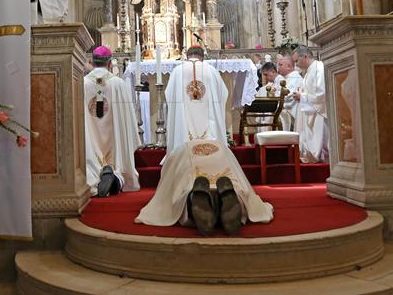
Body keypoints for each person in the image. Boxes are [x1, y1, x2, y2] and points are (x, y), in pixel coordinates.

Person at [135, 138, 273, 235]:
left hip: (187, 156)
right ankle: (230, 196)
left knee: (184, 188)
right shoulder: (220, 145)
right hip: (220, 156)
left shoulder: (180, 149)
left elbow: (166, 181)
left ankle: (191, 198)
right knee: (236, 184)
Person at [83, 46, 141, 197]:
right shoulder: (118, 84)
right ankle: (115, 177)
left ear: (92, 62)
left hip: (90, 143)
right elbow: (128, 117)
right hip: (114, 145)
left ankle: (95, 176)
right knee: (118, 165)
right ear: (110, 63)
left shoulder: (82, 84)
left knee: (91, 160)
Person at [164, 45, 228, 155]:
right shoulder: (211, 70)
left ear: (187, 56)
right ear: (202, 57)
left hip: (184, 126)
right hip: (209, 128)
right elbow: (223, 93)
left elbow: (169, 94)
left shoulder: (178, 71)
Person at [291, 45, 328, 163]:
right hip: (312, 110)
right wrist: (301, 94)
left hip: (319, 113)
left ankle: (321, 155)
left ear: (305, 56)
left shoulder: (319, 68)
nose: (296, 65)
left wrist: (301, 97)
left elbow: (322, 94)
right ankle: (311, 154)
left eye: (297, 61)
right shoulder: (308, 72)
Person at [277, 55, 303, 131]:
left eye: (281, 65)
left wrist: (276, 95)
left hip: (291, 112)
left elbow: (288, 96)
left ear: (288, 66)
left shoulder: (294, 78)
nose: (278, 67)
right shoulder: (288, 77)